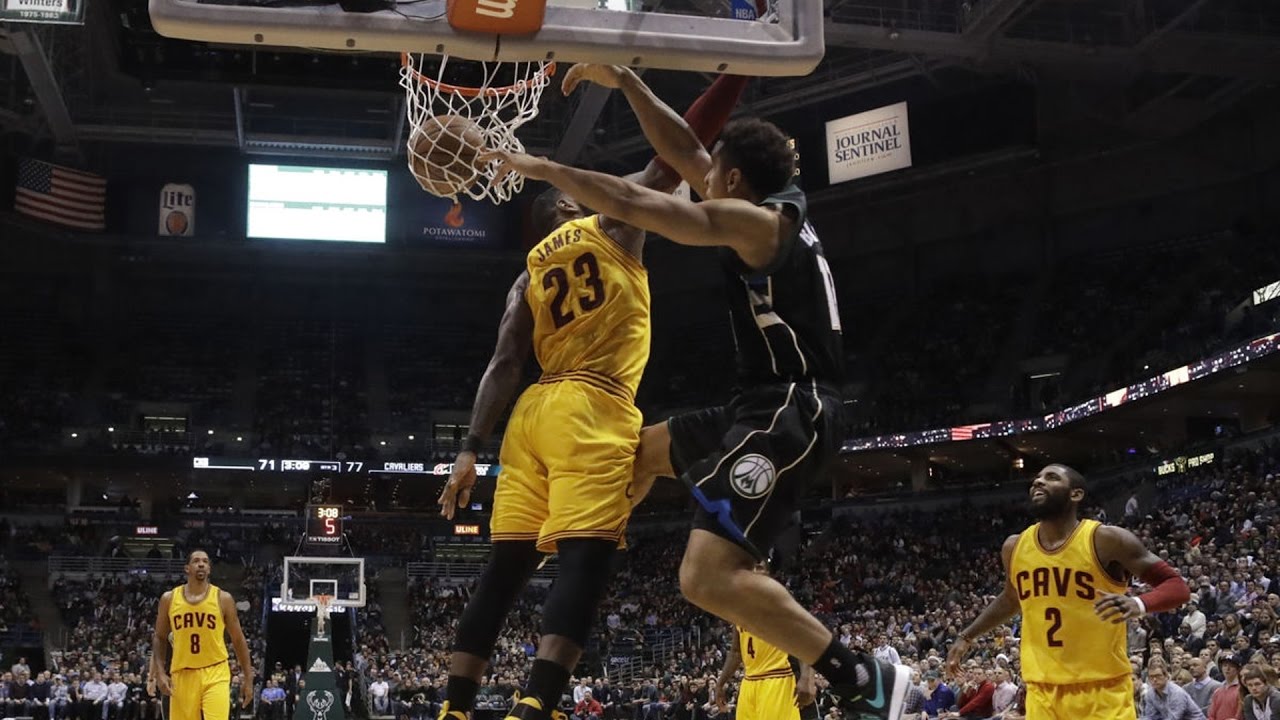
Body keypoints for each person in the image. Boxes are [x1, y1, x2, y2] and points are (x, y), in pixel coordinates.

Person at [484, 62, 908, 719]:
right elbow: (681, 147)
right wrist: (625, 81)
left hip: (793, 408)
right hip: (753, 404)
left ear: (732, 182)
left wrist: (545, 170)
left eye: (712, 175)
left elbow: (634, 203)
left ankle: (863, 678)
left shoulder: (761, 227)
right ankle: (574, 575)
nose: (699, 177)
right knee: (625, 453)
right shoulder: (768, 202)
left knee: (703, 578)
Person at [433, 68, 750, 720]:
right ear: (574, 205)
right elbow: (679, 148)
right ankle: (535, 704)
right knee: (586, 555)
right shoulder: (611, 226)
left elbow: (503, 362)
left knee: (505, 570)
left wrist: (469, 451)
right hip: (591, 406)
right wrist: (736, 76)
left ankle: (455, 709)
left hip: (530, 417)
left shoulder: (526, 278)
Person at [946, 464, 1191, 720]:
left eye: (1051, 478)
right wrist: (966, 636)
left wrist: (1139, 603)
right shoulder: (1014, 547)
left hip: (1101, 689)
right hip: (1042, 691)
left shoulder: (1106, 540)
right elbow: (1011, 599)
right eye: (1036, 478)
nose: (1038, 482)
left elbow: (1177, 586)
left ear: (1076, 494)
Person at [151, 550, 254, 720]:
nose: (201, 564)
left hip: (216, 672)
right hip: (182, 674)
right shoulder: (169, 599)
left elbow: (238, 640)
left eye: (205, 561)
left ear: (209, 569)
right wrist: (160, 673)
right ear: (187, 568)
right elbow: (160, 637)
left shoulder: (223, 599)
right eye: (196, 561)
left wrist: (248, 678)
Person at [714, 618, 815, 720]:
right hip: (748, 682)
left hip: (776, 679)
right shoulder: (739, 611)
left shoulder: (775, 604)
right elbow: (736, 651)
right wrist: (720, 684)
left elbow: (803, 637)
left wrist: (807, 677)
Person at [1207, 653, 1243, 720]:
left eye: (1231, 666)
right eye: (1225, 665)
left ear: (1238, 669)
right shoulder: (1218, 691)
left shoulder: (1241, 690)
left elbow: (1240, 714)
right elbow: (1211, 714)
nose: (1227, 668)